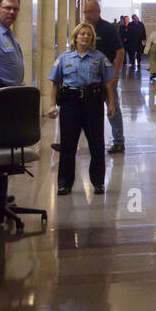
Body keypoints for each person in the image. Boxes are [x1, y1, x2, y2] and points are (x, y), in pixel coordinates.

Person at [47, 22, 117, 195]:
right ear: (75, 37)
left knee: (97, 145)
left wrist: (112, 104)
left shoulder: (99, 57)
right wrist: (51, 105)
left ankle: (98, 182)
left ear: (92, 38)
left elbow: (108, 84)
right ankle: (64, 183)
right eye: (82, 34)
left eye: (89, 34)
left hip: (92, 103)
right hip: (70, 103)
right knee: (68, 146)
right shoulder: (64, 58)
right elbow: (55, 84)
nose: (85, 37)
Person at [82, 0, 126, 154]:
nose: (88, 15)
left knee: (112, 108)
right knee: (84, 109)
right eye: (86, 12)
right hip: (87, 76)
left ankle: (119, 141)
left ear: (99, 12)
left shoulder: (107, 28)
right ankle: (76, 142)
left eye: (91, 11)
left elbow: (120, 51)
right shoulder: (83, 29)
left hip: (106, 76)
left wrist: (115, 73)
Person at [0, 0, 25, 89]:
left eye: (15, 9)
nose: (12, 12)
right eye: (8, 8)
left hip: (11, 91)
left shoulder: (9, 33)